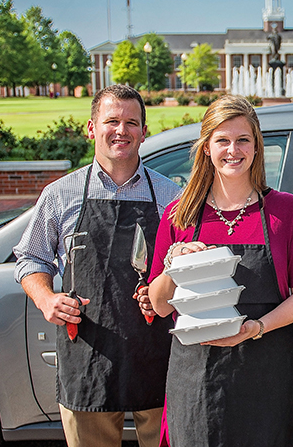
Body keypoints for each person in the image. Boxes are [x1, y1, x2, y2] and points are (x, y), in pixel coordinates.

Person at [139, 95, 293, 446]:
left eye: (243, 140)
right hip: (197, 378)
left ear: (256, 147)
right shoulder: (179, 216)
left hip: (267, 374)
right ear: (206, 148)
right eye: (222, 140)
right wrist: (173, 262)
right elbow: (161, 305)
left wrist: (256, 327)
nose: (233, 150)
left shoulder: (286, 211)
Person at [13, 84, 182, 447]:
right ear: (91, 128)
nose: (121, 130)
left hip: (158, 355)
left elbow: (188, 264)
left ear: (144, 131)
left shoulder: (172, 196)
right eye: (112, 121)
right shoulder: (60, 195)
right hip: (87, 354)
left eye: (131, 123)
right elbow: (31, 257)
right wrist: (46, 299)